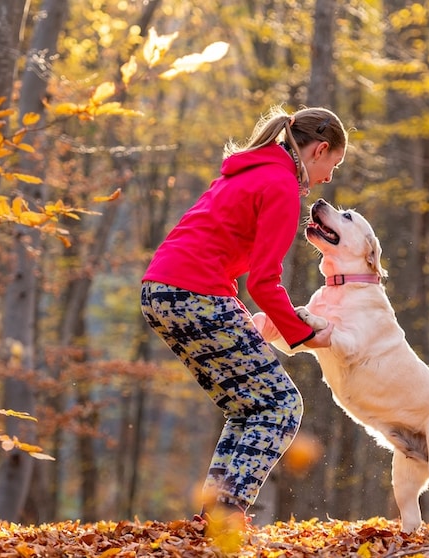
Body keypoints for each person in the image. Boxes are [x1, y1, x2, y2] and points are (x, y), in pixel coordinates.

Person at [139, 106, 348, 527]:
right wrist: (303, 336)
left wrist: (259, 317)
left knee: (249, 406)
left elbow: (217, 252)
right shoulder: (280, 185)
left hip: (162, 290)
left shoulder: (250, 171)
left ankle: (214, 521)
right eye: (333, 164)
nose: (328, 176)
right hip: (192, 291)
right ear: (320, 149)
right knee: (282, 406)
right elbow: (265, 282)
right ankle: (226, 522)